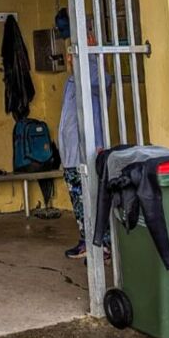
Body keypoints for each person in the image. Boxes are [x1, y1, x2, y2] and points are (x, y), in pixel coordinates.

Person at [59, 35, 110, 260]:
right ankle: (85, 241)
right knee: (79, 201)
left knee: (93, 199)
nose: (70, 57)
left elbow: (97, 77)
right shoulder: (71, 81)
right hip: (71, 154)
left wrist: (87, 54)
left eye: (74, 51)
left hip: (87, 152)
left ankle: (102, 246)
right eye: (70, 52)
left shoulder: (95, 79)